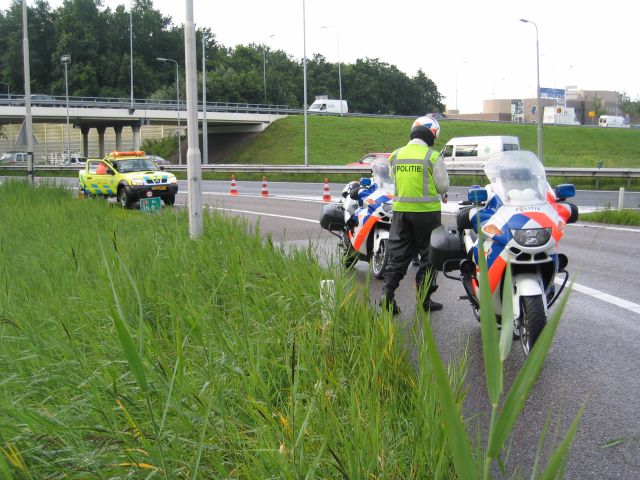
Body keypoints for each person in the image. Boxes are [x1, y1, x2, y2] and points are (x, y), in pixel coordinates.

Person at [380, 116, 449, 314]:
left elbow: (393, 177)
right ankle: (424, 299)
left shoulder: (396, 155)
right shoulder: (432, 156)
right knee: (429, 256)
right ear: (432, 135)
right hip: (427, 215)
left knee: (398, 255)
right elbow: (442, 186)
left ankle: (387, 294)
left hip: (401, 213)